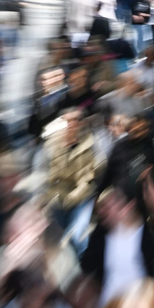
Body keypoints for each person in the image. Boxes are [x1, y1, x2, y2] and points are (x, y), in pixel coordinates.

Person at [81, 183, 154, 307]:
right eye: (102, 207)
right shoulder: (100, 235)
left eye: (108, 207)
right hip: (107, 307)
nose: (102, 212)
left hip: (137, 305)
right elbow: (87, 267)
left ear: (127, 207)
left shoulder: (147, 234)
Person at [41, 109, 97, 255]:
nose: (71, 125)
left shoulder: (90, 145)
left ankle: (79, 260)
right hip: (57, 196)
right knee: (48, 232)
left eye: (75, 121)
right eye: (67, 121)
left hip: (80, 196)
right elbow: (49, 175)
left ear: (81, 123)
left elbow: (87, 180)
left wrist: (71, 198)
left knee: (76, 236)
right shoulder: (53, 144)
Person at [101, 111, 154, 193]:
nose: (139, 134)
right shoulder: (120, 147)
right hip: (124, 192)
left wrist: (151, 170)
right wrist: (99, 192)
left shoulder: (152, 145)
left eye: (143, 129)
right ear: (130, 129)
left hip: (145, 190)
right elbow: (109, 172)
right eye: (136, 131)